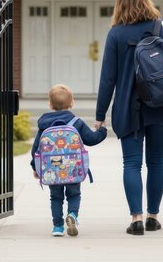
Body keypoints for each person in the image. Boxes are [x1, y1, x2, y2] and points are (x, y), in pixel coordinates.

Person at [94, 0, 163, 236]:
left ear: (119, 4)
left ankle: (136, 219)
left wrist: (100, 115)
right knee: (157, 163)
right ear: (146, 0)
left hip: (127, 107)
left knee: (131, 164)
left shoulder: (116, 34)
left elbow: (107, 79)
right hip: (160, 103)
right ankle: (153, 217)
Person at [30, 84, 108, 237]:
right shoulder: (76, 122)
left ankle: (58, 227)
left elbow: (36, 149)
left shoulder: (43, 125)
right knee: (73, 194)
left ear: (50, 104)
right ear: (72, 103)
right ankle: (72, 215)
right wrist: (102, 131)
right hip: (73, 169)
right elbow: (91, 139)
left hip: (52, 171)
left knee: (56, 197)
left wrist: (36, 168)